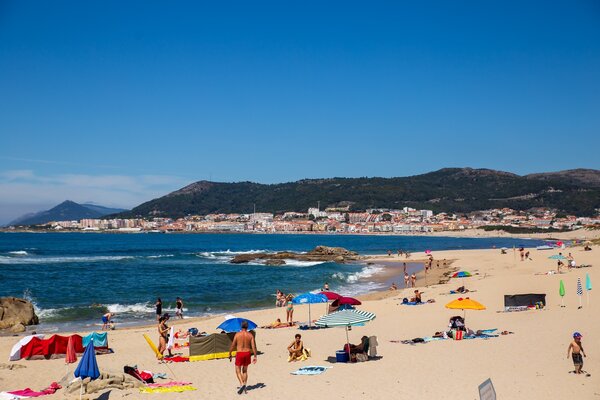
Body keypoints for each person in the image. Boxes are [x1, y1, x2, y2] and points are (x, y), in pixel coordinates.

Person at [229, 321, 257, 394]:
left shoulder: (237, 334)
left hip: (240, 353)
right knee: (245, 371)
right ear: (247, 327)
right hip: (247, 353)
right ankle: (245, 385)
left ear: (241, 326)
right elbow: (253, 346)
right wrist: (255, 356)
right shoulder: (250, 335)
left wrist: (230, 353)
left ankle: (242, 384)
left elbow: (233, 345)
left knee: (237, 370)